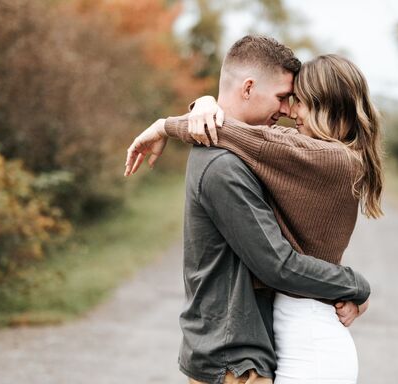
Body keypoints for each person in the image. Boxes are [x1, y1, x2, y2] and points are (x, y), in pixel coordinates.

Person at [124, 35, 372, 384]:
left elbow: (247, 138)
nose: (287, 111)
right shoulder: (225, 165)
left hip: (253, 352)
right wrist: (353, 284)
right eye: (284, 98)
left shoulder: (294, 157)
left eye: (296, 101)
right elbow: (278, 264)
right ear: (249, 87)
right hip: (234, 357)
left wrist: (183, 117)